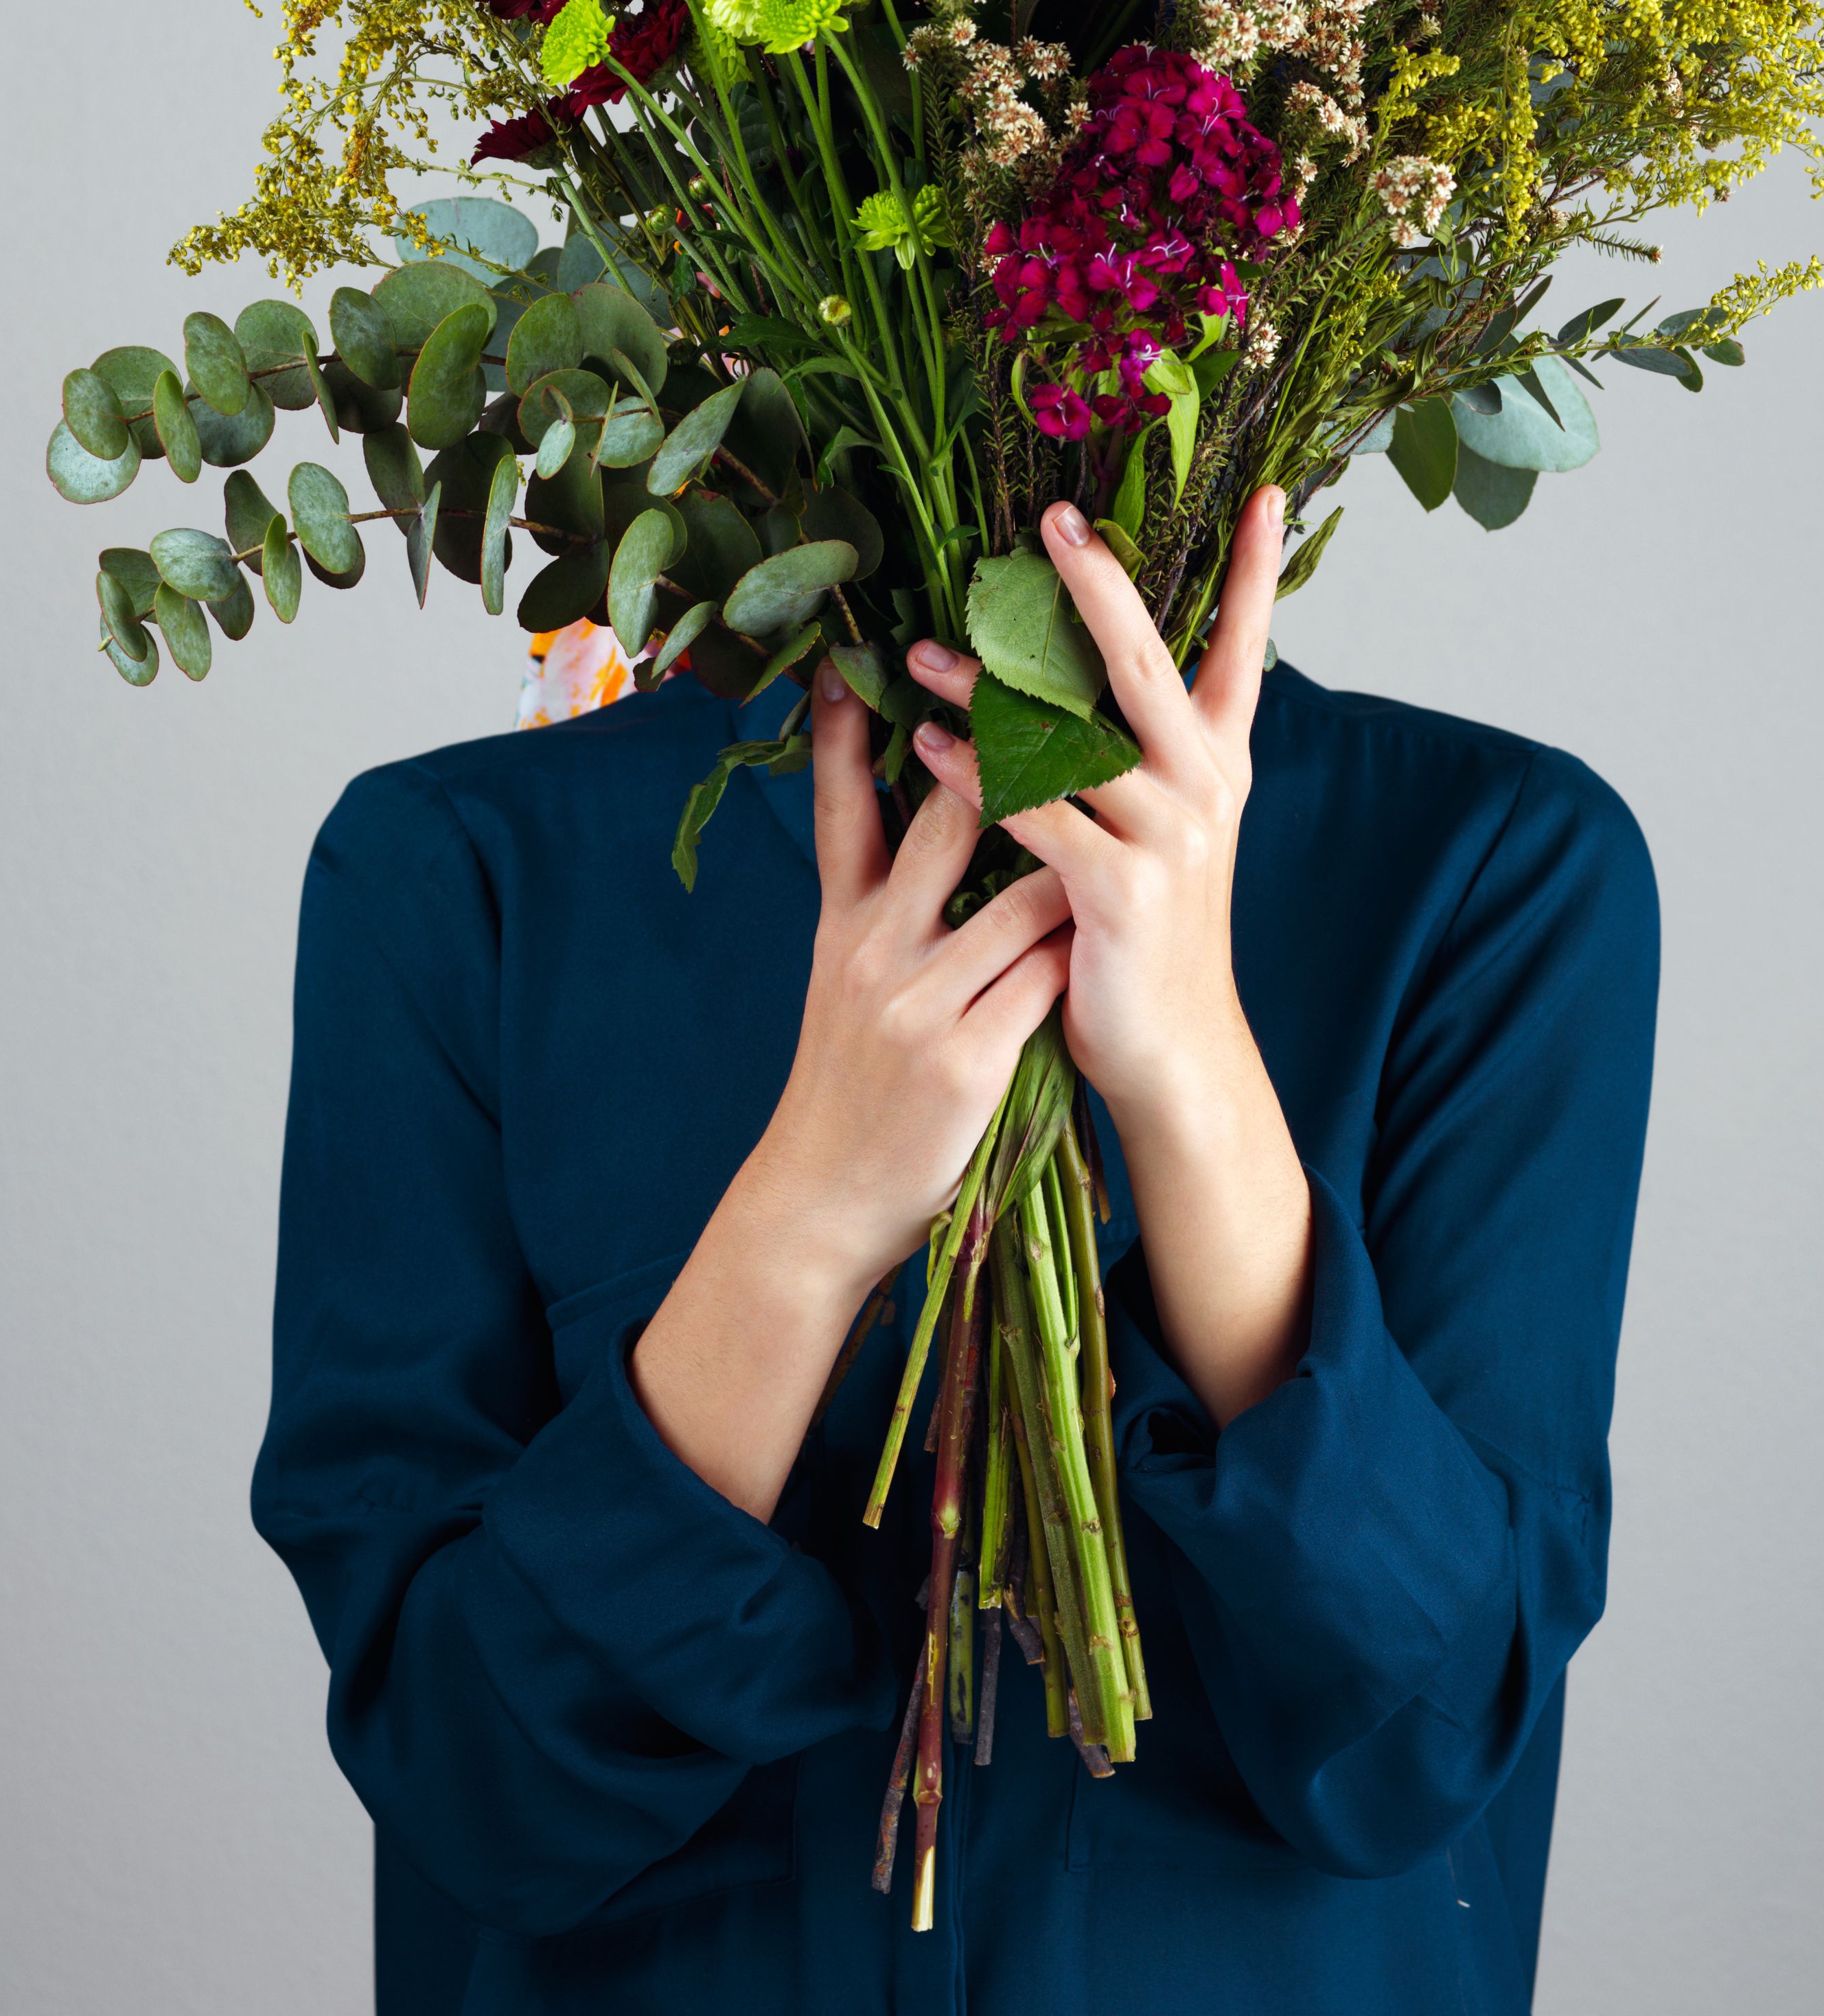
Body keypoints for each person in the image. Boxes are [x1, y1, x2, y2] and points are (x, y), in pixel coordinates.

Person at [254, 487, 1659, 2012]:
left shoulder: (1485, 867)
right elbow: (474, 1788)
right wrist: (802, 1215)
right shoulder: (461, 871)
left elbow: (1422, 1746)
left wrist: (1201, 1099)